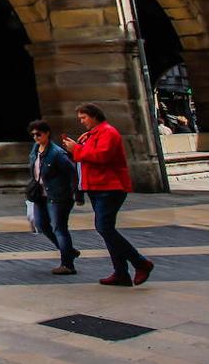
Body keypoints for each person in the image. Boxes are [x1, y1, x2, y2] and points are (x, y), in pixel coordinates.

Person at [62, 103, 154, 287]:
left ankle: (140, 263)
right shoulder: (92, 135)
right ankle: (121, 273)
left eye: (83, 118)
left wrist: (77, 150)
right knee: (106, 229)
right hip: (96, 187)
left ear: (94, 115)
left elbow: (102, 156)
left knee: (104, 228)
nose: (82, 122)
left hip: (110, 187)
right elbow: (85, 158)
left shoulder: (108, 132)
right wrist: (75, 148)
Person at [27, 120, 79, 275]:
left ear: (47, 133)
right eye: (33, 135)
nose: (36, 137)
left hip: (58, 195)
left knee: (59, 228)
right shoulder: (35, 149)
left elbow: (72, 172)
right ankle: (68, 250)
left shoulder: (57, 153)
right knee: (41, 224)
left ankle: (68, 264)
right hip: (40, 195)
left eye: (39, 134)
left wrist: (75, 193)